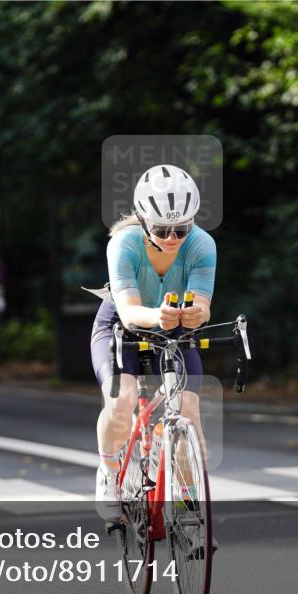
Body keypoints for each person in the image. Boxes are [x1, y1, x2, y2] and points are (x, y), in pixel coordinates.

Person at [90, 164, 216, 521]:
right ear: (144, 221)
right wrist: (160, 316)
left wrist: (197, 314)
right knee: (122, 400)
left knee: (189, 413)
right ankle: (109, 471)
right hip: (120, 326)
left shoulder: (203, 245)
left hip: (174, 325)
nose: (173, 237)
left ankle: (190, 513)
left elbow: (203, 304)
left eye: (182, 228)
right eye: (162, 229)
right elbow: (129, 313)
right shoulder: (123, 244)